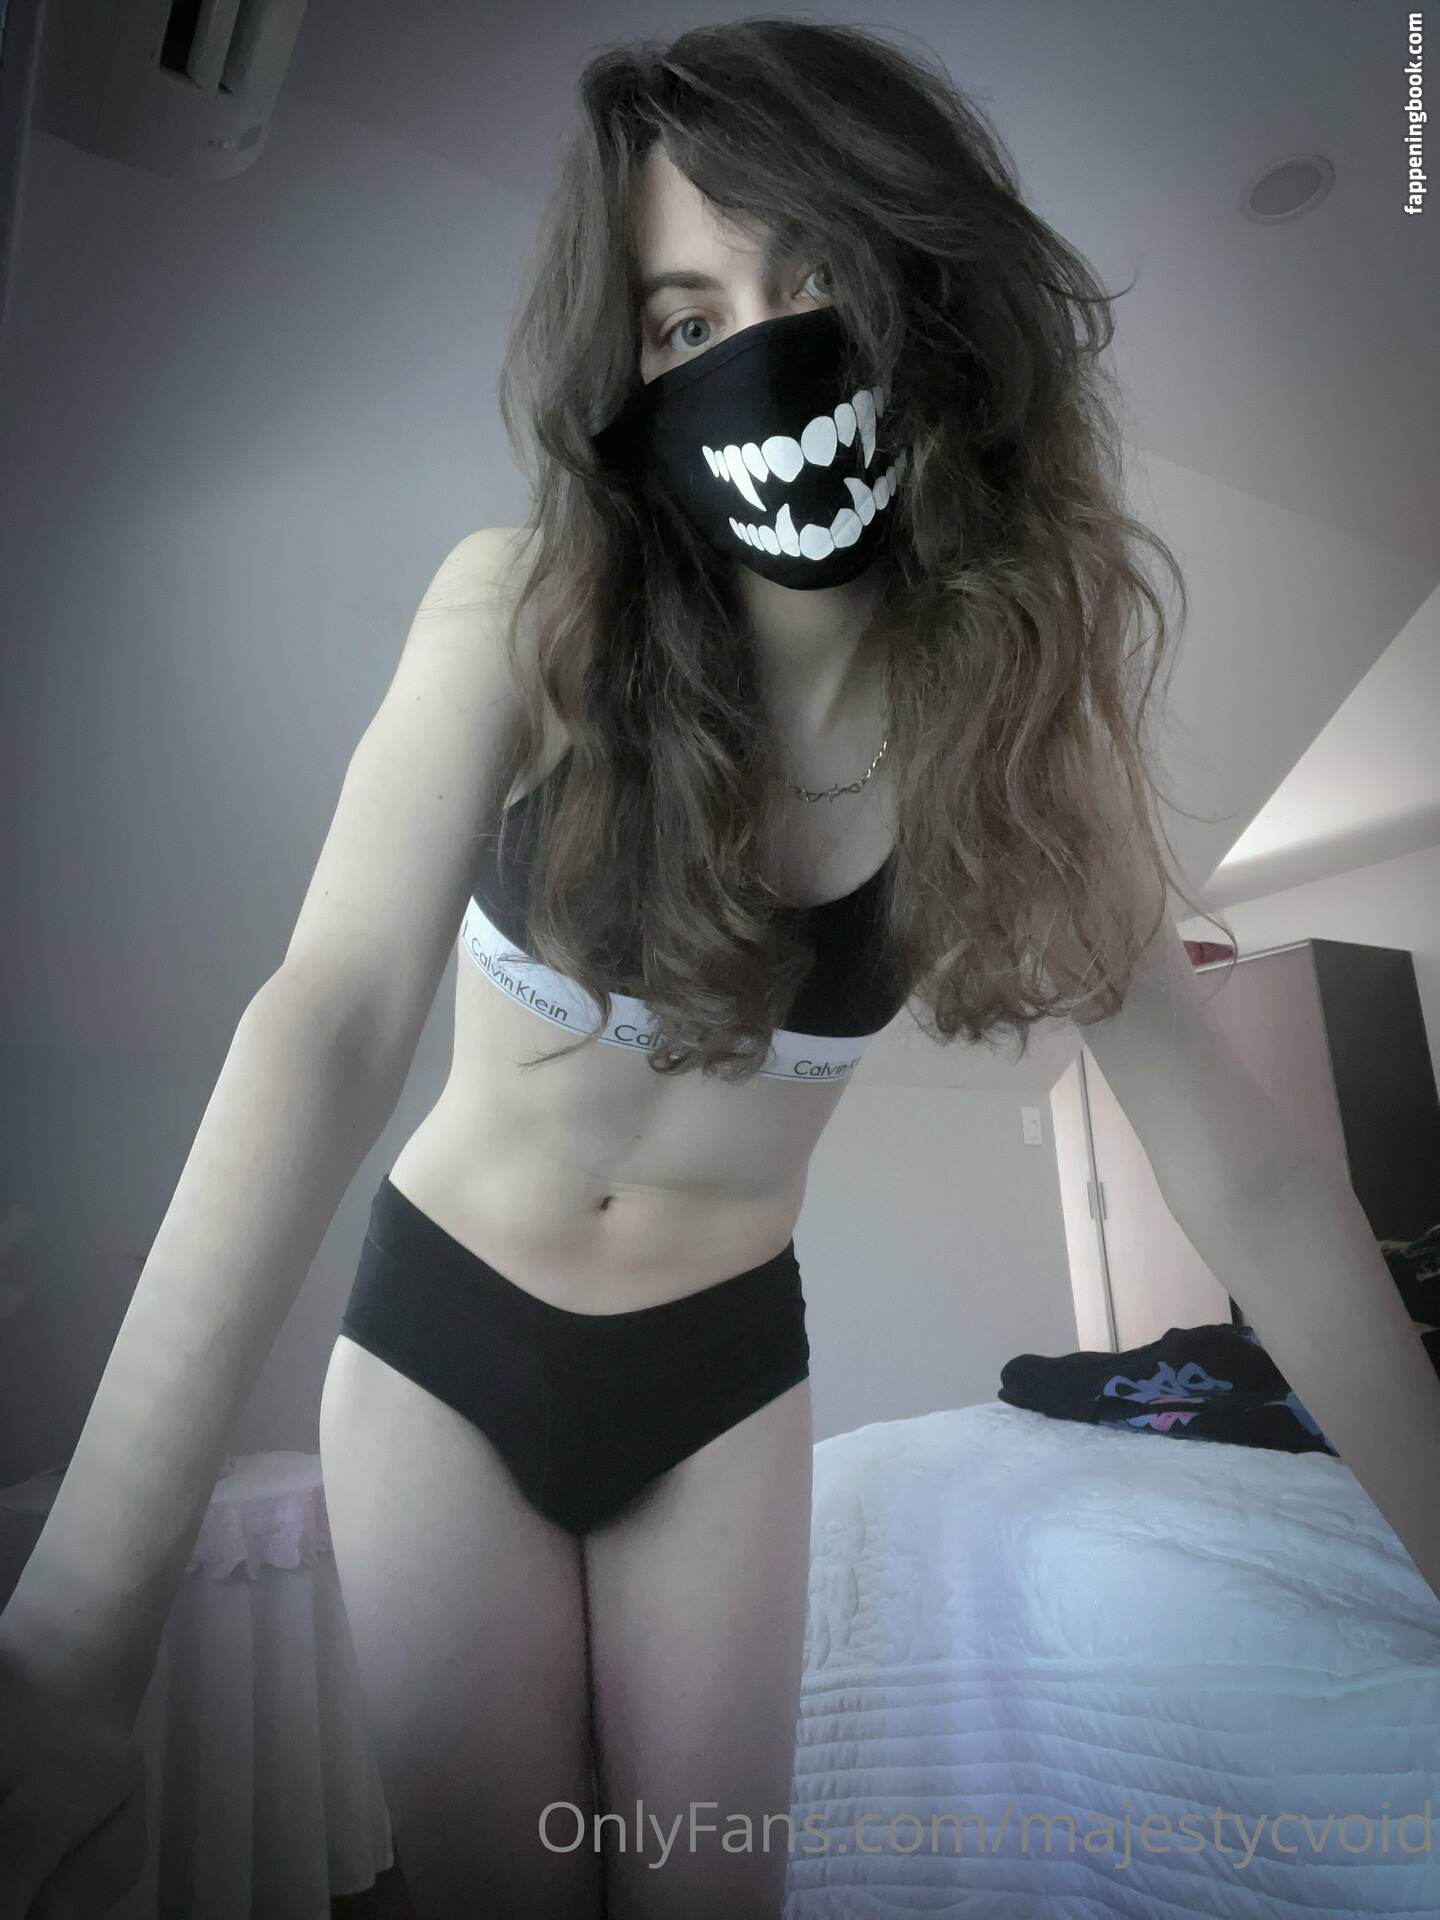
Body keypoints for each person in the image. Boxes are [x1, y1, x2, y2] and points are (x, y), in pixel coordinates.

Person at [4, 18, 1440, 1920]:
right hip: (443, 1342)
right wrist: (73, 1644)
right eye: (688, 321)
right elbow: (328, 1020)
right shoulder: (524, 614)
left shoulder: (1005, 747)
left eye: (821, 279)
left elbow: (1246, 1173)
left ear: (935, 298)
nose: (763, 352)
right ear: (628, 377)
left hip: (722, 1377)